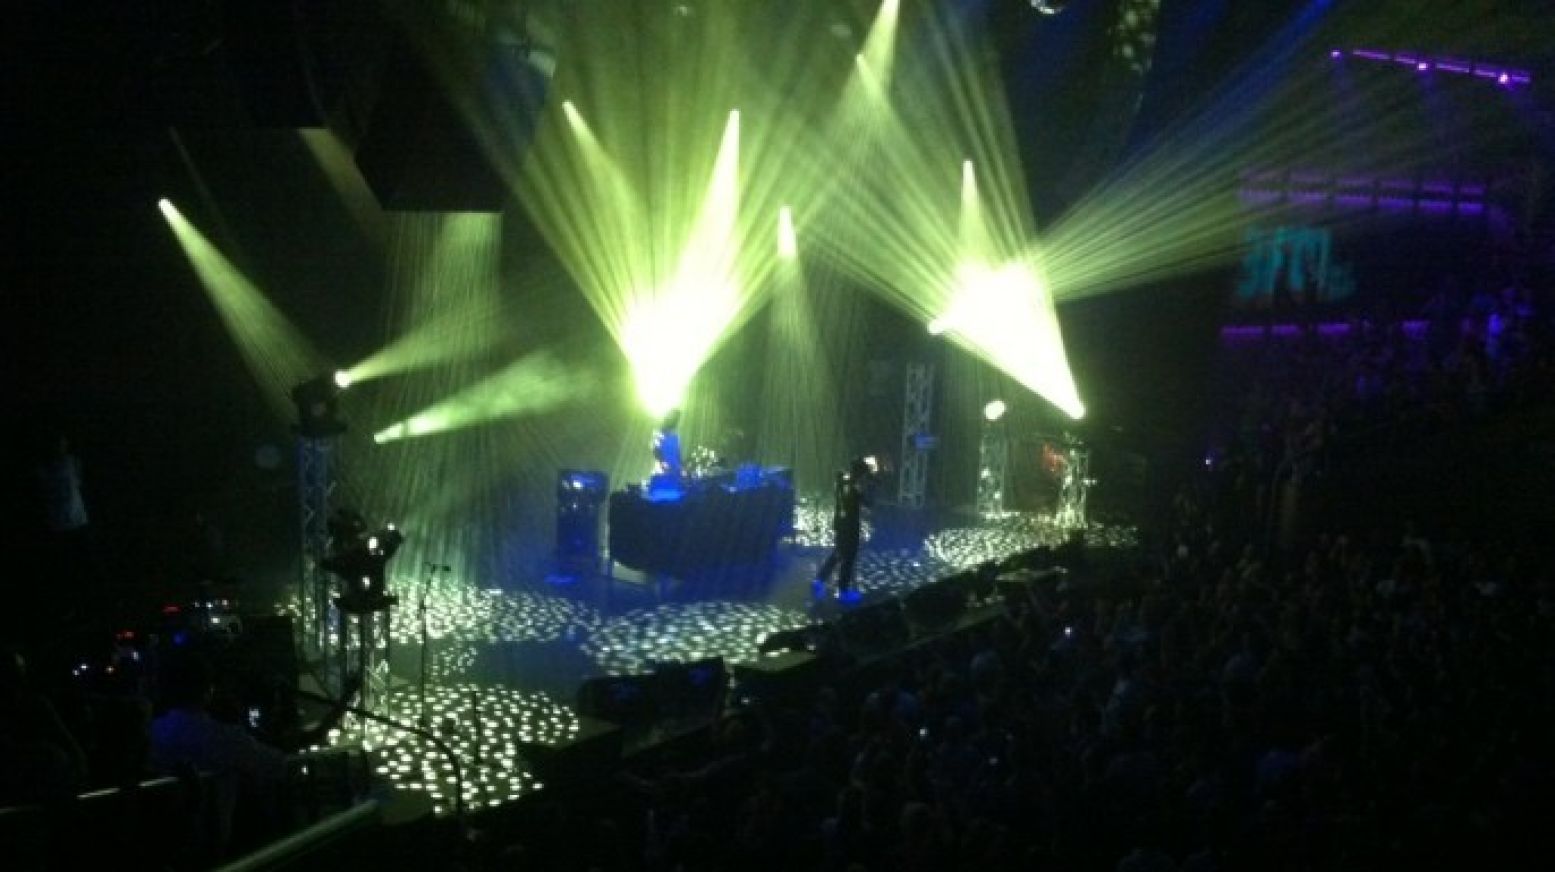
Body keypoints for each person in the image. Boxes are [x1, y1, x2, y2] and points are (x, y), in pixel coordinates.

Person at [815, 456, 875, 602]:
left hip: (841, 523)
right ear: (860, 473)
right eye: (864, 474)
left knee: (839, 553)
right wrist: (870, 489)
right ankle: (843, 591)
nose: (865, 476)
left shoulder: (842, 481)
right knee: (848, 557)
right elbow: (868, 504)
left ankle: (820, 579)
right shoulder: (855, 486)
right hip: (849, 526)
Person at [653, 409, 684, 480]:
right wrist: (663, 462)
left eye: (677, 419)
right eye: (675, 418)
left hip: (675, 471)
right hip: (664, 471)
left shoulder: (675, 437)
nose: (676, 422)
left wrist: (681, 467)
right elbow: (655, 449)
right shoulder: (660, 433)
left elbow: (678, 454)